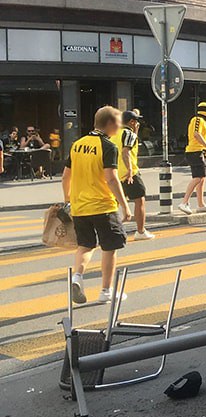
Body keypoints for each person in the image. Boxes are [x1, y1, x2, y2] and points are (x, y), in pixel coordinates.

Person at [63, 106, 133, 304]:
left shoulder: (77, 144)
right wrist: (125, 205)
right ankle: (106, 291)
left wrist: (68, 199)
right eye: (118, 123)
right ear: (110, 124)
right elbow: (111, 179)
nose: (119, 127)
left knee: (85, 245)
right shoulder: (108, 146)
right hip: (103, 206)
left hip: (79, 206)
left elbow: (65, 176)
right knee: (110, 248)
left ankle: (77, 277)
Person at [117, 110, 154, 240]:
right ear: (132, 122)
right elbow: (125, 152)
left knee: (114, 202)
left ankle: (111, 229)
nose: (138, 123)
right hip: (129, 173)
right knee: (140, 199)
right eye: (136, 121)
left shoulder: (115, 133)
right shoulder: (129, 134)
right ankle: (140, 231)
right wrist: (130, 169)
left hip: (114, 174)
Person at [179, 102, 206, 215]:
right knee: (198, 177)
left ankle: (201, 204)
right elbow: (196, 134)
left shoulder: (203, 122)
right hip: (195, 151)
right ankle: (184, 202)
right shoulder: (197, 119)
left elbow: (204, 136)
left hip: (198, 152)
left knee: (201, 178)